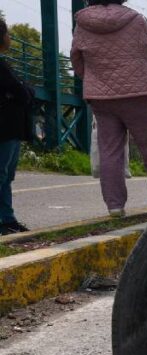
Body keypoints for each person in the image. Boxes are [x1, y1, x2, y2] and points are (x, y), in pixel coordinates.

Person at [71, 0, 147, 217]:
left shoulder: (82, 23)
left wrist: (96, 80)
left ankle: (115, 206)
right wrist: (139, 72)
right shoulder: (136, 19)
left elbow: (77, 60)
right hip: (138, 94)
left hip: (101, 97)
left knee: (110, 152)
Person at [0, 17, 34, 235]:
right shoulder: (2, 67)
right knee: (3, 174)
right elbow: (23, 92)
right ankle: (6, 219)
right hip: (6, 128)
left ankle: (7, 219)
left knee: (4, 175)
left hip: (9, 128)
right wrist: (24, 90)